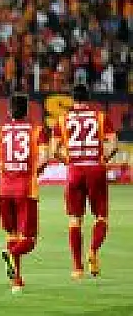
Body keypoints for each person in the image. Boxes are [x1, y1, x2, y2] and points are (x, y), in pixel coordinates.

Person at [52, 84, 118, 279]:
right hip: (95, 167)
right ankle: (93, 251)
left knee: (74, 220)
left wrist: (68, 161)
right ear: (88, 99)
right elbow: (113, 144)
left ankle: (77, 268)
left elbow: (54, 150)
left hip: (75, 170)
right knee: (101, 217)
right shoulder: (100, 117)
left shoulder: (62, 120)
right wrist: (104, 158)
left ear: (72, 100)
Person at [0, 93, 48, 292]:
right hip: (25, 190)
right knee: (29, 240)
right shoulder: (37, 131)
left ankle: (16, 281)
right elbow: (44, 158)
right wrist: (33, 171)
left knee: (12, 234)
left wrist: (6, 169)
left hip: (3, 191)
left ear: (9, 110)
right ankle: (11, 254)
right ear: (27, 110)